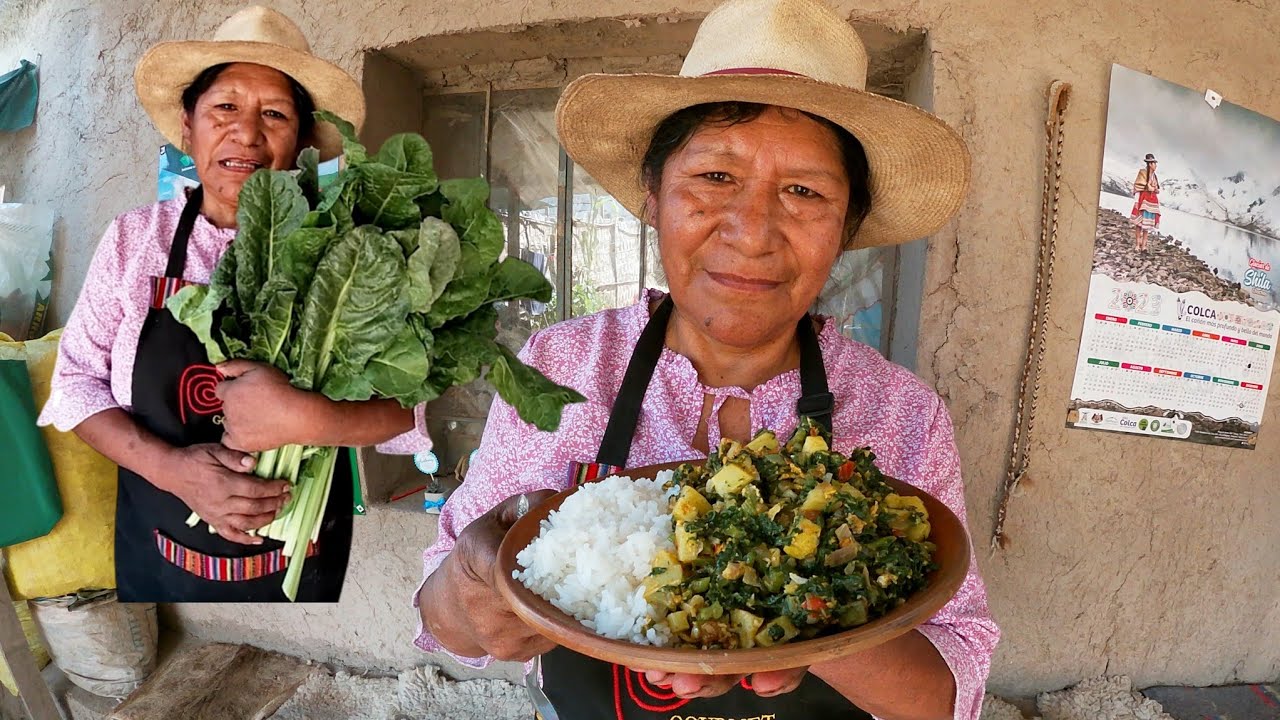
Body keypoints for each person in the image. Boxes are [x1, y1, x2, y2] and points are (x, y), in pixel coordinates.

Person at [414, 0, 998, 718]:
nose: (753, 233)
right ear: (653, 198)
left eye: (804, 191)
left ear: (845, 229)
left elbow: (945, 691)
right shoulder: (562, 366)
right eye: (716, 178)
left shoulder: (903, 415)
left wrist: (794, 606)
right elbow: (449, 626)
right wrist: (479, 585)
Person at [38, 7, 431, 602]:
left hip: (300, 551)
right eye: (225, 107)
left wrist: (311, 418)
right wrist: (175, 472)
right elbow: (74, 386)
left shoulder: (348, 251)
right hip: (160, 546)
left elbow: (407, 411)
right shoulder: (132, 241)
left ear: (301, 141)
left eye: (274, 114)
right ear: (187, 123)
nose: (247, 134)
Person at [1131, 153, 1161, 251]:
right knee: (1139, 224)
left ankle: (1143, 245)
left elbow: (1155, 188)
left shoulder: (1154, 176)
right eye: (1154, 163)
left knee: (1147, 225)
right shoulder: (1142, 173)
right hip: (1142, 200)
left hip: (1151, 202)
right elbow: (1138, 187)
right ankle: (1137, 244)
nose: (1155, 165)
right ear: (1150, 164)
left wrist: (1154, 189)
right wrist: (1136, 201)